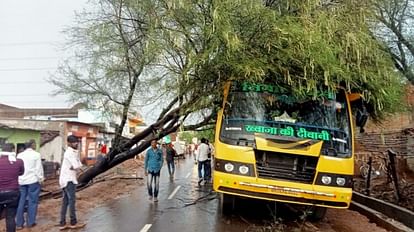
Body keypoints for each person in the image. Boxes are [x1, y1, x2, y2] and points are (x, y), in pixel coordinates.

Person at [58, 135, 86, 230]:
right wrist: (76, 166)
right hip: (69, 180)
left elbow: (78, 165)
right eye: (74, 142)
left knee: (65, 202)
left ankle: (62, 223)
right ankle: (73, 222)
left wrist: (76, 166)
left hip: (67, 179)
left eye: (77, 142)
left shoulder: (73, 152)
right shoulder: (69, 153)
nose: (76, 143)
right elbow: (76, 165)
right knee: (71, 201)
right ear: (69, 143)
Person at [16, 140, 44, 230]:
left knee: (21, 201)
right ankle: (30, 222)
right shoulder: (36, 155)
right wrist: (41, 179)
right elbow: (38, 169)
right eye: (35, 144)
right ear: (32, 145)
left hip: (21, 181)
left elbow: (18, 169)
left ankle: (19, 223)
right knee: (32, 201)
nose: (35, 145)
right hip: (33, 181)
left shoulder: (19, 155)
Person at [0, 143, 24, 232]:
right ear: (13, 150)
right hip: (13, 193)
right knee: (10, 217)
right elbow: (21, 172)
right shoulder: (19, 161)